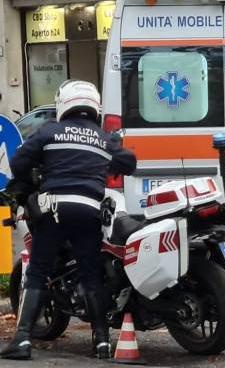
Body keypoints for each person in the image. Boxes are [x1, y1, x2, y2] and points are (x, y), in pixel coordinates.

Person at [0, 80, 136, 360]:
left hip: (54, 209)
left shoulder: (49, 131)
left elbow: (18, 164)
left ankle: (23, 339)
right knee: (90, 274)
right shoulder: (103, 138)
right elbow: (130, 163)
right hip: (89, 211)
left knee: (38, 271)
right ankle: (101, 342)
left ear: (64, 103)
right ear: (94, 106)